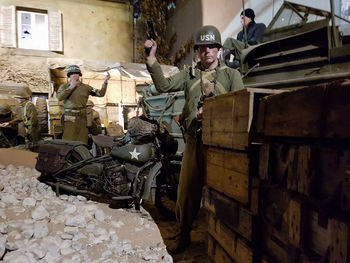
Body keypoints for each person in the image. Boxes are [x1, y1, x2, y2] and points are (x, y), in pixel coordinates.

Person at [144, 25, 244, 253]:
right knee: (187, 191)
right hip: (194, 142)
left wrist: (215, 110)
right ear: (197, 51)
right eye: (202, 47)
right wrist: (151, 59)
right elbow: (163, 85)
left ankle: (226, 239)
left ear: (218, 49)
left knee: (225, 192)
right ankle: (185, 233)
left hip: (223, 145)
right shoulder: (189, 74)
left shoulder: (231, 75)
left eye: (211, 46)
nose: (207, 51)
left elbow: (240, 105)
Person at [57, 65, 110, 144]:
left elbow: (100, 93)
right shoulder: (64, 87)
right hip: (70, 117)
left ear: (79, 75)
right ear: (69, 76)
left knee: (82, 140)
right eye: (71, 73)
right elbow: (59, 97)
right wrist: (71, 87)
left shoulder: (86, 88)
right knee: (69, 140)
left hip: (82, 117)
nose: (74, 75)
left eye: (76, 73)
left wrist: (105, 82)